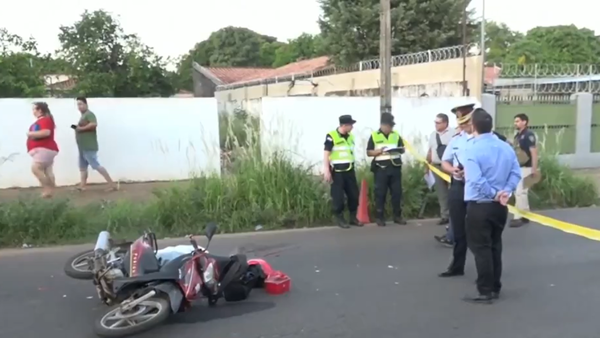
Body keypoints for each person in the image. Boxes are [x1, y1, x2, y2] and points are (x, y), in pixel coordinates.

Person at [463, 109, 521, 304]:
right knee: (495, 245)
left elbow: (476, 180)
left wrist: (494, 193)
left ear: (473, 126)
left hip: (480, 205)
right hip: (500, 207)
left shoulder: (471, 149)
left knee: (481, 248)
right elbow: (515, 172)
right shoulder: (505, 147)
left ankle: (485, 289)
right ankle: (495, 286)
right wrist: (506, 191)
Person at [437, 102, 476, 278]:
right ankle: (457, 266)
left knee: (477, 230)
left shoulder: (482, 138)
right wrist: (453, 170)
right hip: (458, 185)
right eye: (460, 122)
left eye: (465, 122)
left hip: (476, 188)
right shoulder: (456, 140)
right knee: (458, 229)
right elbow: (445, 161)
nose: (462, 125)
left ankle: (484, 269)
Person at [366, 113, 406, 226]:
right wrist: (378, 151)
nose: (390, 128)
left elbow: (402, 149)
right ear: (383, 125)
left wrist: (399, 149)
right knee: (380, 193)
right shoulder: (374, 136)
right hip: (381, 169)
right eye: (388, 126)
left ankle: (397, 216)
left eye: (391, 126)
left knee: (397, 193)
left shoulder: (396, 135)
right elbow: (369, 152)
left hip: (395, 167)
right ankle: (379, 217)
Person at [323, 115, 363, 229]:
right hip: (337, 171)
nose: (352, 127)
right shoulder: (332, 136)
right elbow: (326, 153)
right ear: (344, 125)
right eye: (350, 125)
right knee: (338, 197)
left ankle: (353, 217)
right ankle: (340, 218)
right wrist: (326, 170)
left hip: (349, 170)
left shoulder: (351, 137)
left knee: (354, 195)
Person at [74, 97, 117, 191]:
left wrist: (80, 129)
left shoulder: (89, 114)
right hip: (82, 146)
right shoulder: (83, 116)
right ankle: (82, 186)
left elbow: (93, 124)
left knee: (96, 165)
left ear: (86, 104)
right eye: (78, 104)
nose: (79, 106)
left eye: (81, 104)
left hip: (89, 146)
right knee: (82, 167)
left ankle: (112, 185)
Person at [427, 113, 455, 226]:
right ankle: (445, 215)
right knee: (441, 193)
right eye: (435, 122)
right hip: (437, 167)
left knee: (454, 191)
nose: (436, 125)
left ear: (445, 123)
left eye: (438, 123)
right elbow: (430, 151)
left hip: (450, 166)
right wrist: (427, 165)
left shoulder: (453, 133)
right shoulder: (433, 135)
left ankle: (455, 215)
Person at [510, 113, 538, 228]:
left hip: (526, 167)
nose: (515, 123)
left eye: (517, 121)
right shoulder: (518, 135)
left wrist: (534, 169)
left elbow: (534, 152)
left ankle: (518, 217)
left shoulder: (528, 135)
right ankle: (526, 215)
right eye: (515, 121)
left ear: (524, 122)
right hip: (519, 167)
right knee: (522, 192)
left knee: (520, 192)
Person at [27, 102, 59, 198]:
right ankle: (51, 192)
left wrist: (30, 134)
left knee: (36, 168)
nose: (33, 111)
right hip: (46, 149)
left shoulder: (45, 120)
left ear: (40, 110)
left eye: (34, 109)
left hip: (44, 148)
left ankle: (47, 189)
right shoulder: (43, 120)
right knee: (47, 171)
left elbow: (46, 132)